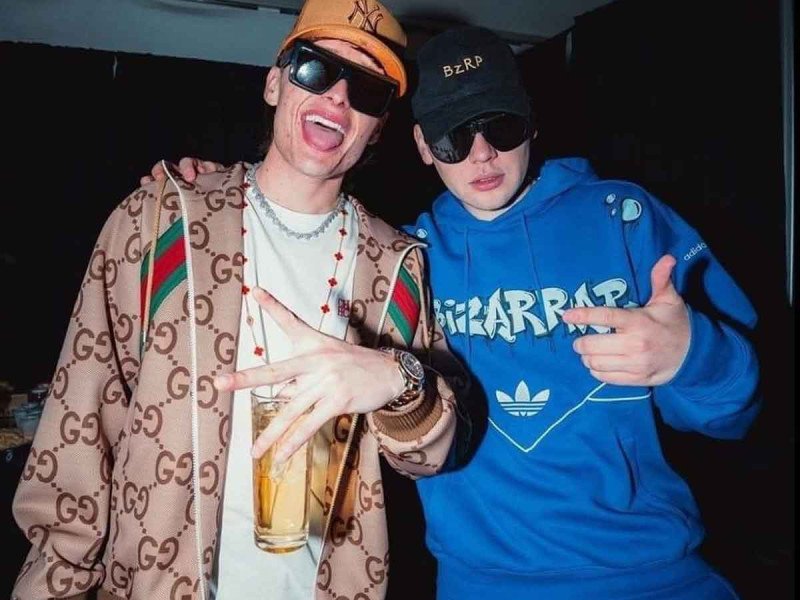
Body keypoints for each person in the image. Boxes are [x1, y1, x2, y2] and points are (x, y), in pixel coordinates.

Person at [146, 26, 760, 600]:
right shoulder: (405, 261)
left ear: (532, 121)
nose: (482, 154)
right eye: (453, 137)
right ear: (422, 146)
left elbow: (741, 414)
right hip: (479, 583)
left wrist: (694, 353)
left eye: (501, 126)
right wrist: (220, 191)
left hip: (655, 576)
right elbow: (298, 244)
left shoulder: (624, 218)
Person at [11, 2, 464, 599]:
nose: (337, 97)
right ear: (274, 83)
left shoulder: (396, 264)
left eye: (369, 91)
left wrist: (399, 379)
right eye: (316, 69)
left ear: (378, 126)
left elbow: (428, 456)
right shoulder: (162, 220)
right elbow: (79, 424)